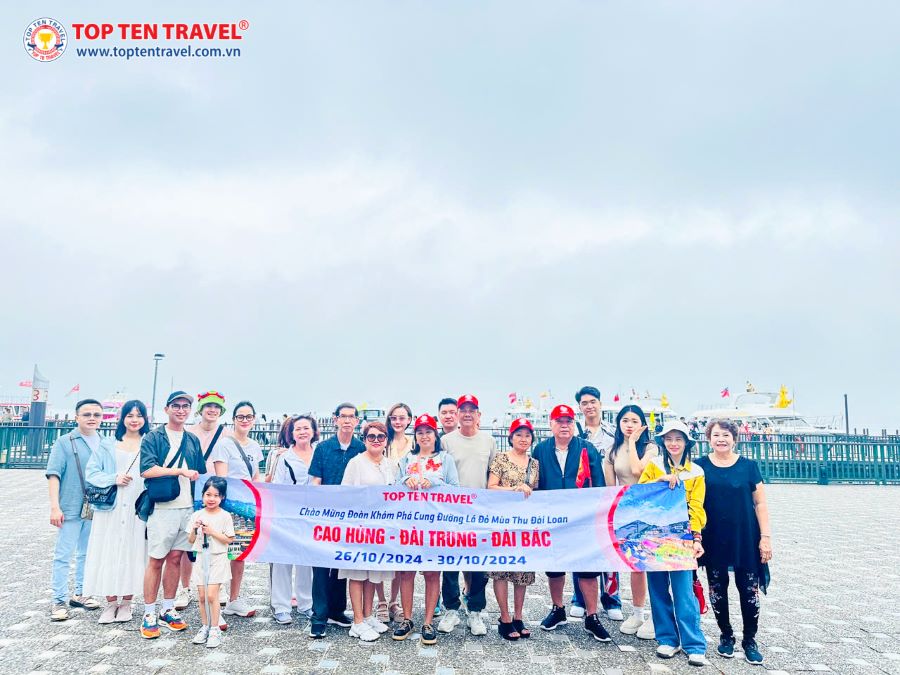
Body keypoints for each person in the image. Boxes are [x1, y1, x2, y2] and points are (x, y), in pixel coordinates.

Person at [533, 404, 611, 642]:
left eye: (568, 421)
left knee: (587, 569)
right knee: (554, 567)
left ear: (573, 424)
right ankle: (558, 609)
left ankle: (592, 616)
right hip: (553, 520)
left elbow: (598, 484)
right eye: (559, 421)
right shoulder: (541, 449)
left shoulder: (587, 448)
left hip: (582, 520)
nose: (564, 425)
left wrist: (595, 516)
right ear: (551, 424)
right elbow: (535, 483)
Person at [696, 419, 772, 666]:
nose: (721, 439)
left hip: (745, 536)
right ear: (709, 438)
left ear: (734, 439)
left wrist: (765, 537)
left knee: (749, 589)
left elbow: (760, 503)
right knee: (717, 588)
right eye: (716, 435)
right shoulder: (699, 466)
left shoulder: (749, 466)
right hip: (713, 536)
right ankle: (726, 635)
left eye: (726, 435)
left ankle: (750, 639)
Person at [639, 420, 709, 667]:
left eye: (678, 439)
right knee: (657, 590)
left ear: (687, 442)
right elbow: (639, 493)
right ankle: (667, 638)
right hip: (653, 535)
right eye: (668, 439)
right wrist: (659, 481)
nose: (673, 443)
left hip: (682, 537)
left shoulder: (696, 472)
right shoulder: (654, 465)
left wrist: (696, 537)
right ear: (663, 442)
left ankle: (694, 644)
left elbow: (697, 507)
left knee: (684, 592)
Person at [139, 391, 205, 639]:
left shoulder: (192, 439)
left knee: (176, 558)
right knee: (156, 559)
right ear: (166, 409)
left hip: (187, 508)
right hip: (162, 508)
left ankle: (168, 608)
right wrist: (179, 471)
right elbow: (146, 470)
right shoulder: (154, 437)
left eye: (185, 406)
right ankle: (148, 612)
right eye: (176, 406)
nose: (181, 410)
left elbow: (200, 473)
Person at [394, 414, 460, 645]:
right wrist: (405, 481)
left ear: (435, 434)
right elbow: (393, 487)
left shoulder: (445, 459)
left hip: (436, 526)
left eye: (428, 431)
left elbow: (456, 489)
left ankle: (428, 621)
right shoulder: (406, 459)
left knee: (432, 573)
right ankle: (407, 619)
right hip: (409, 525)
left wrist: (435, 483)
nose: (424, 436)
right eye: (420, 432)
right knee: (406, 572)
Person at [83, 400, 150, 623]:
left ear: (145, 419)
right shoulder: (108, 444)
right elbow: (92, 472)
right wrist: (114, 478)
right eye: (130, 415)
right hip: (111, 505)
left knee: (134, 549)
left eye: (139, 415)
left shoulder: (149, 443)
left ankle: (127, 602)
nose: (134, 420)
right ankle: (111, 602)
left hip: (137, 505)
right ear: (122, 418)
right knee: (108, 549)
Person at [437, 394, 497, 637]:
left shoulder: (489, 441)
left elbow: (493, 475)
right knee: (450, 563)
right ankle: (451, 609)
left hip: (479, 512)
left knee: (478, 565)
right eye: (464, 410)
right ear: (458, 414)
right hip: (452, 512)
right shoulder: (446, 441)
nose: (468, 414)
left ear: (479, 414)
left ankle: (475, 610)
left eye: (472, 410)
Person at [46, 398, 108, 621]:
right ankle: (58, 600)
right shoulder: (65, 442)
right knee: (63, 555)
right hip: (71, 506)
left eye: (96, 415)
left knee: (87, 553)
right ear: (76, 417)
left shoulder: (105, 442)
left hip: (96, 506)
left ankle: (82, 592)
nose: (92, 418)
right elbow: (54, 474)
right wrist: (55, 507)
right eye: (87, 414)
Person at [307, 403, 365, 638]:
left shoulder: (361, 447)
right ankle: (319, 617)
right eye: (343, 417)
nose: (347, 421)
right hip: (325, 514)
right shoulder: (323, 448)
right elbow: (315, 480)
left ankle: (337, 610)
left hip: (351, 516)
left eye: (351, 417)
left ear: (357, 421)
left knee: (342, 563)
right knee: (321, 566)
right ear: (335, 420)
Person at [338, 421, 397, 642]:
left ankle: (368, 615)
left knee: (372, 573)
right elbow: (345, 494)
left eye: (381, 437)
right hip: (359, 526)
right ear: (364, 440)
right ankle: (357, 621)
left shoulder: (391, 465)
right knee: (357, 573)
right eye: (371, 436)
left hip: (381, 528)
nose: (376, 440)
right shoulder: (356, 463)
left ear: (386, 440)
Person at [605, 404, 659, 639]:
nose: (629, 425)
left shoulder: (651, 448)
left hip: (651, 510)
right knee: (636, 565)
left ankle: (657, 615)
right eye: (625, 420)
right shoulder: (612, 451)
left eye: (634, 421)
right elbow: (610, 487)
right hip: (626, 512)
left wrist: (632, 443)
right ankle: (638, 612)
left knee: (654, 564)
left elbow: (638, 471)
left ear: (642, 425)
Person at [571, 386, 623, 622]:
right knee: (580, 549)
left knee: (609, 548)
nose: (589, 406)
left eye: (593, 401)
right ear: (579, 407)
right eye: (584, 403)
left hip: (607, 496)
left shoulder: (613, 432)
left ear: (600, 403)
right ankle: (579, 599)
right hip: (581, 499)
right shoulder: (575, 432)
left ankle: (612, 599)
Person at [177, 390, 229, 612]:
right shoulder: (188, 432)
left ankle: (219, 585)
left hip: (215, 491)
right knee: (189, 539)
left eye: (216, 407)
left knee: (218, 538)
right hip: (190, 488)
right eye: (208, 406)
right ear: (200, 409)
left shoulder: (227, 434)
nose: (212, 410)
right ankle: (185, 587)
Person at [488, 418, 538, 640]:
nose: (523, 439)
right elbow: (491, 487)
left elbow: (536, 491)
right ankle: (505, 617)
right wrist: (513, 489)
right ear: (511, 437)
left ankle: (518, 616)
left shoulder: (534, 464)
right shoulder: (501, 458)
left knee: (522, 572)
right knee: (501, 570)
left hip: (524, 524)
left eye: (527, 435)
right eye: (519, 435)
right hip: (502, 522)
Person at [270, 415, 318, 624]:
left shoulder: (319, 453)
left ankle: (306, 603)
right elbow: (277, 487)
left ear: (313, 431)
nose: (302, 432)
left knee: (306, 560)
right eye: (298, 429)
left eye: (306, 428)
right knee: (282, 561)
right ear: (292, 433)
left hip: (312, 516)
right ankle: (281, 606)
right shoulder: (284, 458)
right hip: (287, 515)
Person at [219, 401, 264, 620]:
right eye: (240, 417)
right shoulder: (224, 444)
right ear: (233, 419)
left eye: (248, 417)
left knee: (239, 554)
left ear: (254, 419)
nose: (244, 420)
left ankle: (234, 599)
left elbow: (255, 477)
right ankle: (214, 597)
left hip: (246, 506)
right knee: (220, 553)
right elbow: (221, 477)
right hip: (227, 505)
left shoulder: (255, 446)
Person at [187, 477, 235, 649]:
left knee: (212, 595)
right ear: (203, 495)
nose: (211, 498)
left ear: (222, 497)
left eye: (216, 495)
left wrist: (212, 532)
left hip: (218, 557)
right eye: (208, 494)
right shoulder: (196, 515)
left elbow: (229, 539)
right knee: (201, 596)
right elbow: (190, 540)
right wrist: (195, 529)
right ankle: (205, 626)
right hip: (201, 557)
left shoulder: (225, 516)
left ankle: (215, 629)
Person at [381, 403, 414, 623]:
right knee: (380, 553)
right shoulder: (383, 441)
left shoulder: (415, 443)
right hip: (384, 504)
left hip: (407, 507)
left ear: (409, 419)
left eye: (402, 418)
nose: (398, 422)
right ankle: (382, 602)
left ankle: (394, 601)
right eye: (394, 418)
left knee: (400, 556)